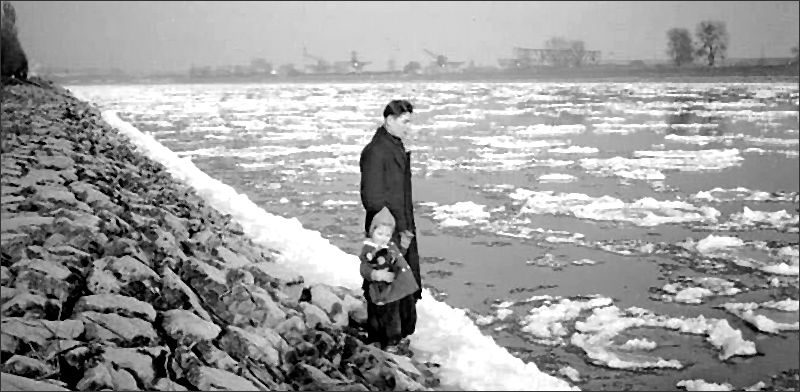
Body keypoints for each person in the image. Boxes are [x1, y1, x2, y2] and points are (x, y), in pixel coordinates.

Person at [359, 99, 422, 347]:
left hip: (400, 225)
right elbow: (372, 197)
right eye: (405, 122)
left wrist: (405, 230)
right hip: (386, 230)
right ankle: (386, 339)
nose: (409, 127)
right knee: (386, 281)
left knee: (401, 280)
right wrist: (388, 233)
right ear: (389, 120)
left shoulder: (393, 146)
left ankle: (398, 335)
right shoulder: (376, 151)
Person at [359, 208, 419, 349]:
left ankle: (396, 337)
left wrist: (404, 244)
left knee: (400, 312)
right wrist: (376, 274)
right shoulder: (369, 250)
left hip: (397, 288)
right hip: (383, 290)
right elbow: (364, 268)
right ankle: (388, 341)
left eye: (387, 234)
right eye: (379, 233)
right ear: (372, 231)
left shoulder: (389, 246)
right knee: (387, 317)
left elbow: (397, 256)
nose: (383, 237)